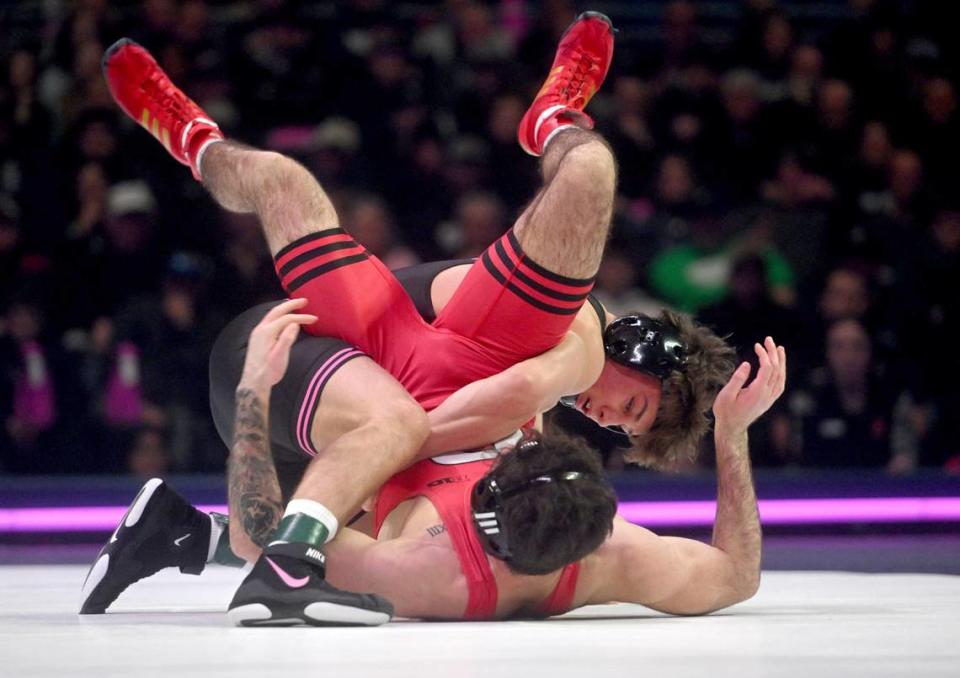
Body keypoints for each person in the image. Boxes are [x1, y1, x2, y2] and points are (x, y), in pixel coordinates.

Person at [89, 12, 734, 625]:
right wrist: (387, 453)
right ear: (644, 354)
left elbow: (402, 468)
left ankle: (216, 539)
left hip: (362, 354)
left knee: (292, 199)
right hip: (390, 353)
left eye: (622, 430)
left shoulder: (507, 473)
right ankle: (196, 137)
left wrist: (369, 460)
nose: (607, 421)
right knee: (285, 183)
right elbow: (486, 403)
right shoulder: (579, 346)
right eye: (633, 409)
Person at [84, 300, 787, 620]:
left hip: (295, 360)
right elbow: (736, 575)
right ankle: (183, 530)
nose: (602, 421)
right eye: (628, 413)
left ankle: (182, 530)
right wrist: (731, 434)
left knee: (362, 458)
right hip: (346, 364)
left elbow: (262, 538)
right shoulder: (614, 561)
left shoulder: (434, 574)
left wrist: (251, 396)